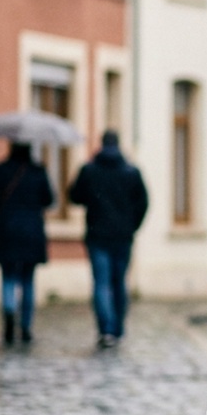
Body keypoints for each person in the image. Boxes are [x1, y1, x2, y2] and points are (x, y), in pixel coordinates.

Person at [69, 130, 150, 348]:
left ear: (101, 144)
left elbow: (74, 196)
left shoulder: (89, 170)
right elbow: (143, 203)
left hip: (97, 235)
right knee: (119, 282)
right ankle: (118, 329)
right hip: (123, 236)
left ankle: (106, 330)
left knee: (102, 283)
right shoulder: (131, 172)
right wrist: (132, 226)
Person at [0, 141, 54, 346]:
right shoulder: (38, 171)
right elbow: (49, 199)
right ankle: (25, 326)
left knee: (8, 277)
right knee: (28, 280)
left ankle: (8, 317)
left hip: (6, 230)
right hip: (32, 231)